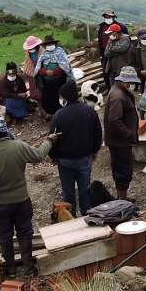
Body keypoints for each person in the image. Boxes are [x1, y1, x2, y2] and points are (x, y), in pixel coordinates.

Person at [0, 116, 51, 277]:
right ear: (5, 132)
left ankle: (10, 269)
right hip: (21, 200)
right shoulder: (19, 147)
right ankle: (28, 267)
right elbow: (39, 155)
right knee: (25, 232)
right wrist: (49, 141)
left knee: (4, 235)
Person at [48, 80, 102, 215]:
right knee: (85, 190)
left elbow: (52, 138)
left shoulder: (59, 115)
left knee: (68, 192)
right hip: (85, 158)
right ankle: (87, 215)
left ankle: (70, 216)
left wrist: (53, 156)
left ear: (64, 97)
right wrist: (94, 151)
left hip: (65, 161)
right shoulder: (89, 111)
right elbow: (98, 133)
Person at [103, 65, 142, 199]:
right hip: (119, 141)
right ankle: (122, 201)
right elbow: (114, 120)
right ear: (123, 81)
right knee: (123, 171)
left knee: (123, 170)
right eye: (129, 82)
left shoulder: (120, 91)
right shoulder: (118, 96)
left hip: (120, 140)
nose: (131, 85)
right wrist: (128, 134)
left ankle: (123, 198)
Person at [35, 35, 72, 116]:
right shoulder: (42, 54)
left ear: (55, 44)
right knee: (50, 99)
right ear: (44, 46)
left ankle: (63, 113)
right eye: (48, 44)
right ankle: (52, 114)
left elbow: (65, 66)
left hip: (59, 81)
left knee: (61, 97)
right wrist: (45, 72)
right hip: (47, 82)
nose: (49, 46)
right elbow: (38, 68)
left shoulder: (61, 52)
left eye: (51, 44)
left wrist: (54, 72)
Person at [21, 35, 44, 105]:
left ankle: (44, 105)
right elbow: (28, 64)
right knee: (34, 92)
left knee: (42, 90)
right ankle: (40, 105)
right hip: (32, 74)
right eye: (30, 48)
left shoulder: (42, 52)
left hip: (42, 73)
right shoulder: (29, 53)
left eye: (32, 48)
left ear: (37, 46)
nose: (31, 49)